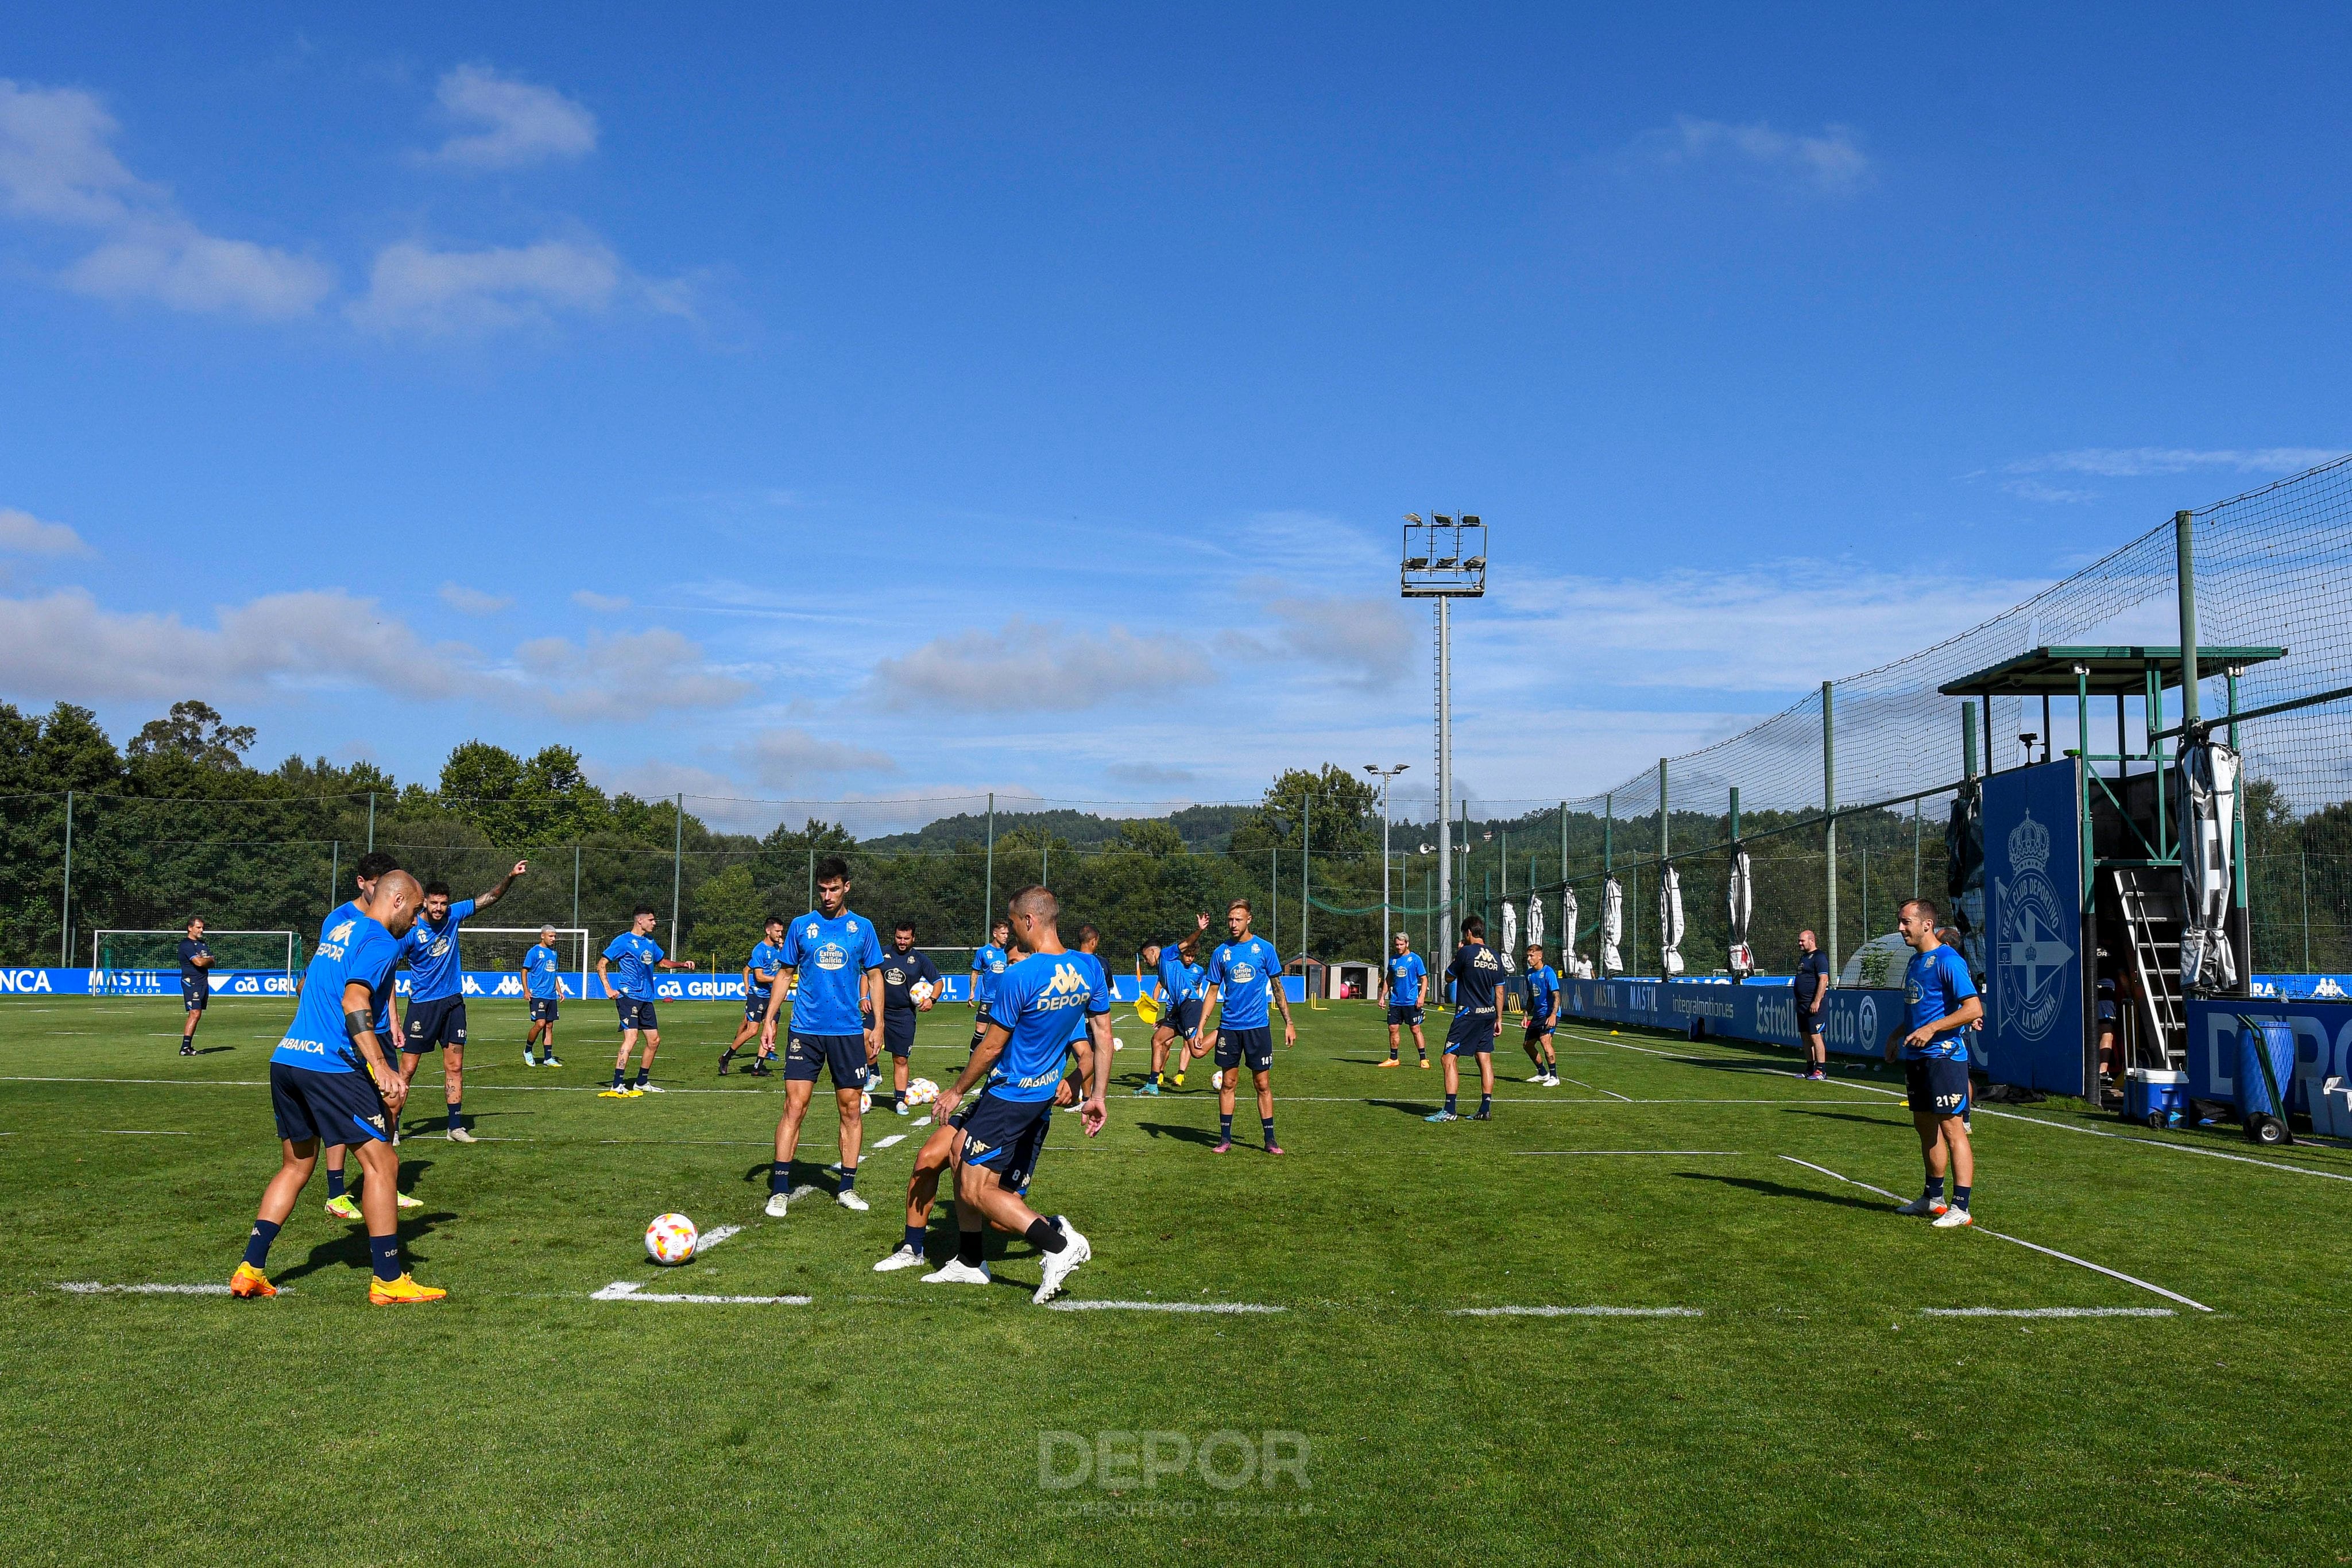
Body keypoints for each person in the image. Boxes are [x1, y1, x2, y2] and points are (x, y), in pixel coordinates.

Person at [229, 869, 445, 1304]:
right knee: (383, 1164)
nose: (420, 920)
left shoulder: (342, 927)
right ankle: (388, 1279)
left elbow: (307, 985)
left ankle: (250, 1268)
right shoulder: (382, 941)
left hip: (287, 1057)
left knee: (296, 1166)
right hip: (330, 1066)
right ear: (399, 901)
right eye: (418, 909)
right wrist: (381, 1067)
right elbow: (354, 999)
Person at [926, 886, 1109, 1301]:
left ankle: (1059, 1245)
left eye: (1012, 922)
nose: (1010, 931)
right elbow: (1103, 1034)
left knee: (978, 1190)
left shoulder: (1019, 975)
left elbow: (991, 1047)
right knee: (958, 1150)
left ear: (1029, 921)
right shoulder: (1090, 967)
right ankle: (971, 1261)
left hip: (1009, 1097)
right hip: (1040, 1097)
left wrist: (956, 1090)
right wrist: (1094, 1093)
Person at [759, 857, 885, 1215]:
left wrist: (878, 1025)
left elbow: (875, 976)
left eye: (834, 889)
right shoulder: (801, 926)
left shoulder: (863, 928)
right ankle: (780, 1189)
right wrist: (770, 1020)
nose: (827, 896)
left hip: (847, 1033)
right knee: (794, 1107)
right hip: (806, 1031)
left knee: (850, 1111)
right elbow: (784, 974)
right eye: (822, 890)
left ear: (847, 887)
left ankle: (846, 1187)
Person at [316, 851, 423, 1222]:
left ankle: (384, 1182)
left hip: (375, 1025)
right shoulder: (343, 920)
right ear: (364, 883)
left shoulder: (387, 931)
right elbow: (340, 981)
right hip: (346, 1031)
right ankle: (336, 1190)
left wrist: (393, 1018)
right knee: (341, 1112)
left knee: (391, 1101)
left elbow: (382, 977)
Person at [397, 862, 527, 1141]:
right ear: (425, 903)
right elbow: (387, 963)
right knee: (407, 1069)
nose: (440, 909)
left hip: (453, 1003)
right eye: (434, 903)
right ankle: (392, 1127)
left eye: (444, 903)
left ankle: (454, 1127)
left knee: (455, 1067)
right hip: (422, 1005)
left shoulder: (455, 915)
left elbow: (489, 898)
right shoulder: (411, 930)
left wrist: (510, 877)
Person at [1883, 897, 1983, 1229]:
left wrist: (1932, 1029)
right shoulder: (1916, 962)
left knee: (1953, 1129)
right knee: (1925, 1128)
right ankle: (1933, 1198)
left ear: (1926, 924)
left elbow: (1973, 1009)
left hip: (1945, 1058)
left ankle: (1962, 1206)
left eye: (1905, 922)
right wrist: (1897, 1036)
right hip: (1918, 1059)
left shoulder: (1948, 960)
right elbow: (1918, 1011)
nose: (1900, 928)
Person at [1190, 898, 1295, 1155]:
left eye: (1238, 919)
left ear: (1249, 919)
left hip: (1258, 1027)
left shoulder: (1264, 949)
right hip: (1230, 1028)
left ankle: (1270, 1140)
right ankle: (1225, 1138)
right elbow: (1213, 991)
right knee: (1228, 1083)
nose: (1233, 924)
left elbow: (1278, 988)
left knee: (1263, 1084)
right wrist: (1201, 1026)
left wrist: (1289, 1023)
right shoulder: (1221, 953)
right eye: (1230, 919)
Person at [1428, 914, 1503, 1122]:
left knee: (1448, 1059)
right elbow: (1499, 992)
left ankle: (1450, 1110)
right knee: (1484, 1058)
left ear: (1469, 933)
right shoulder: (1496, 956)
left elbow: (1448, 977)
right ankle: (1485, 1108)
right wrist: (1499, 1019)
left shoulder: (1466, 952)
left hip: (1467, 1014)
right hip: (1488, 1014)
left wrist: (1458, 959)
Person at [1136, 912, 1210, 1095]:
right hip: (1179, 1009)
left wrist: (1199, 930)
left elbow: (1186, 943)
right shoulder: (1162, 972)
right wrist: (1166, 1018)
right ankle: (1152, 1085)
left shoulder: (1167, 955)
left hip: (1191, 1005)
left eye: (1146, 957)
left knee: (1197, 1052)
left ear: (1153, 951)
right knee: (1157, 1039)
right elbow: (1176, 996)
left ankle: (1226, 1030)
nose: (1146, 961)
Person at [598, 905, 666, 1097]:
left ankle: (641, 1082)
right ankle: (617, 1084)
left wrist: (682, 965)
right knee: (632, 1038)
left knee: (654, 1041)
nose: (655, 923)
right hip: (628, 997)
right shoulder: (623, 941)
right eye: (651, 920)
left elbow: (661, 962)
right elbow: (602, 964)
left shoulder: (650, 942)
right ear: (640, 921)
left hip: (646, 998)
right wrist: (608, 989)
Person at [879, 920, 943, 1113]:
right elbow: (867, 975)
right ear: (894, 936)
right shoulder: (881, 953)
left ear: (913, 938)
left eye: (906, 938)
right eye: (899, 937)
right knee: (865, 1040)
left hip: (904, 1015)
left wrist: (932, 999)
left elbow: (938, 982)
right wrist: (865, 997)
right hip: (879, 1010)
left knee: (900, 1059)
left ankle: (900, 1100)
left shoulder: (920, 960)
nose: (902, 941)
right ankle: (873, 1075)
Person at [719, 917, 789, 1077]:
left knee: (772, 1029)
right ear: (768, 931)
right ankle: (726, 1057)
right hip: (758, 996)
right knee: (752, 1030)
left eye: (781, 931)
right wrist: (780, 981)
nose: (780, 934)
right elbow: (760, 977)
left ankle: (758, 1067)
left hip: (772, 997)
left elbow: (784, 969)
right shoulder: (760, 950)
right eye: (777, 931)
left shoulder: (780, 949)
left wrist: (781, 989)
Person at [1379, 930, 1430, 1069]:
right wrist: (1383, 997)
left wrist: (1422, 996)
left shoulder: (1415, 959)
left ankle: (1423, 1059)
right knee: (1393, 1028)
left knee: (1415, 1029)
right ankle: (1394, 1058)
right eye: (1397, 945)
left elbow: (1424, 979)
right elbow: (1388, 979)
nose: (1399, 947)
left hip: (1411, 1001)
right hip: (1395, 1001)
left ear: (1407, 944)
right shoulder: (1393, 960)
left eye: (1401, 944)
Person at [522, 926, 568, 1067]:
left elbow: (554, 974)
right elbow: (524, 971)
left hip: (551, 995)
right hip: (538, 995)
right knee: (540, 1024)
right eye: (551, 936)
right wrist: (525, 990)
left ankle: (548, 1058)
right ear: (543, 936)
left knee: (549, 1025)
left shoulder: (554, 953)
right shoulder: (534, 952)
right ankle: (528, 1051)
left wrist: (560, 991)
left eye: (555, 936)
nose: (554, 939)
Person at [969, 918, 1011, 1053]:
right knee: (980, 1031)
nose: (1006, 937)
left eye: (1007, 934)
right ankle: (972, 1064)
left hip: (1004, 999)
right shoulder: (983, 952)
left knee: (1004, 1034)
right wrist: (972, 992)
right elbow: (975, 972)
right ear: (995, 934)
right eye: (1003, 934)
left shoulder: (1010, 951)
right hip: (988, 999)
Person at [1521, 943, 1560, 1085]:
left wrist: (1553, 1015)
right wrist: (1526, 1015)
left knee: (1545, 1040)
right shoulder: (1529, 974)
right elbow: (1531, 997)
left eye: (1532, 956)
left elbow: (1556, 995)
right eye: (1528, 956)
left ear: (1540, 956)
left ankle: (1554, 1077)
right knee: (1527, 1045)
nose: (1529, 959)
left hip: (1549, 1013)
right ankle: (1543, 1073)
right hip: (1538, 1014)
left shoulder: (1548, 973)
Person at [1794, 928, 1831, 1081]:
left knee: (1816, 1036)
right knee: (1805, 1037)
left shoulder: (1819, 957)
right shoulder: (1804, 958)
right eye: (1799, 941)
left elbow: (1823, 980)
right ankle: (1810, 1068)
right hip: (1802, 1005)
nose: (1800, 943)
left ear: (1812, 940)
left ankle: (1821, 1070)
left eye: (1802, 941)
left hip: (1814, 1004)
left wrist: (1816, 1001)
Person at [177, 917, 214, 1056]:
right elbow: (199, 962)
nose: (201, 930)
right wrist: (207, 960)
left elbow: (212, 961)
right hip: (191, 982)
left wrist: (208, 960)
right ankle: (185, 1047)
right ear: (190, 928)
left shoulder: (202, 944)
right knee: (195, 1013)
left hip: (203, 982)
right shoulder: (186, 945)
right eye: (198, 927)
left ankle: (188, 1046)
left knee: (198, 1014)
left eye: (202, 927)